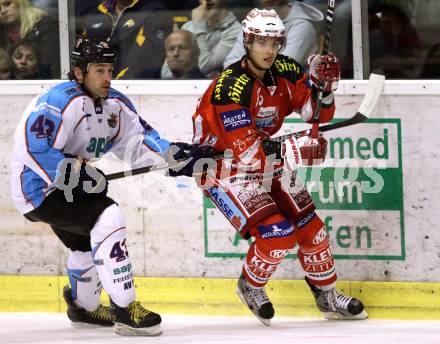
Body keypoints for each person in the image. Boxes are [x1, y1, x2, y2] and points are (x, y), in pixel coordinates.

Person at [170, 8, 367, 325]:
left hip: (265, 157)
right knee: (278, 234)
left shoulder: (286, 69)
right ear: (247, 41)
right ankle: (249, 286)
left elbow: (315, 113)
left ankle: (327, 296)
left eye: (275, 43)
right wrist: (298, 147)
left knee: (312, 231)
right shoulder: (229, 88)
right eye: (262, 42)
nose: (269, 50)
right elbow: (248, 154)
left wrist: (322, 87)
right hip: (222, 167)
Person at [10, 38, 193, 336]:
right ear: (79, 73)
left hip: (69, 183)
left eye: (110, 69)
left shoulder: (115, 104)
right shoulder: (57, 102)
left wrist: (175, 157)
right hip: (37, 189)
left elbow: (138, 140)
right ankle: (125, 308)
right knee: (107, 215)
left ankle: (83, 307)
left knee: (84, 238)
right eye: (99, 70)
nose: (107, 77)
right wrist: (73, 174)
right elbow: (33, 148)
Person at [224, 0, 323, 68]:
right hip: (251, 89)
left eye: (275, 44)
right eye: (262, 42)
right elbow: (229, 63)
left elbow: (282, 68)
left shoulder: (302, 26)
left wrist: (246, 65)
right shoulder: (252, 22)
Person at [161, 0, 241, 79]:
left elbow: (203, 67)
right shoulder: (188, 26)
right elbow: (166, 73)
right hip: (179, 87)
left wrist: (199, 26)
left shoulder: (236, 31)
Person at [0, 0, 60, 78]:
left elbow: (51, 69)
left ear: (20, 3)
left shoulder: (45, 26)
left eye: (7, 4)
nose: (3, 11)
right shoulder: (2, 34)